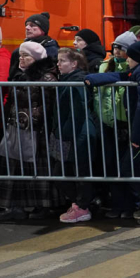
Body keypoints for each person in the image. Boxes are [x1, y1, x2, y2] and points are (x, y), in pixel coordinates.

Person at [85, 38, 140, 224]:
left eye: (129, 57)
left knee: (128, 168)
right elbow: (122, 76)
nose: (127, 60)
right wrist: (92, 79)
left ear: (137, 58)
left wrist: (136, 135)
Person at [0, 42, 60, 221]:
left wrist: (34, 117)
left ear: (36, 58)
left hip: (36, 131)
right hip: (19, 127)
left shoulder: (46, 77)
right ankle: (17, 207)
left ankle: (42, 207)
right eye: (20, 55)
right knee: (15, 168)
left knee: (37, 169)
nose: (21, 59)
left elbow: (49, 105)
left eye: (26, 56)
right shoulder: (20, 74)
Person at [95, 31, 138, 218]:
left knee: (127, 166)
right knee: (111, 165)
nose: (117, 51)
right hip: (108, 123)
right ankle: (118, 204)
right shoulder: (105, 66)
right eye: (115, 47)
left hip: (125, 123)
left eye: (121, 48)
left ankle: (131, 205)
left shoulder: (133, 68)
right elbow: (98, 95)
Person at [53, 48, 98, 223]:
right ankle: (79, 204)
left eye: (62, 61)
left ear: (74, 63)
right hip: (71, 134)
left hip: (77, 135)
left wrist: (64, 134)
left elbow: (77, 112)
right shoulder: (67, 81)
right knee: (64, 172)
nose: (58, 64)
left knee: (78, 173)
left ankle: (82, 206)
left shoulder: (76, 82)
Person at [8, 13, 59, 79]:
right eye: (26, 25)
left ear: (43, 29)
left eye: (33, 25)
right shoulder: (17, 51)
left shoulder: (53, 51)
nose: (27, 28)